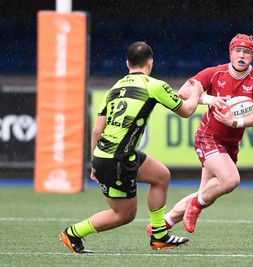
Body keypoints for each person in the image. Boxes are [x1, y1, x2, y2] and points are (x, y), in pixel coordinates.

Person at [59, 41, 203, 253]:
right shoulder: (153, 85)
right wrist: (197, 91)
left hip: (109, 155)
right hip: (117, 158)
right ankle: (72, 233)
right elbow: (187, 111)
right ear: (150, 63)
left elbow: (97, 131)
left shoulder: (114, 89)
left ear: (127, 63)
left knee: (161, 175)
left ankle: (159, 235)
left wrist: (94, 162)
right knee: (124, 215)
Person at [146, 33, 253, 235]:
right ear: (230, 54)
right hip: (208, 137)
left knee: (206, 193)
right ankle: (194, 206)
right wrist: (209, 99)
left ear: (252, 56)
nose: (241, 55)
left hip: (230, 143)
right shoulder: (214, 73)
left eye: (246, 52)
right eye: (237, 51)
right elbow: (184, 92)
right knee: (230, 180)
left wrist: (235, 121)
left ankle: (160, 226)